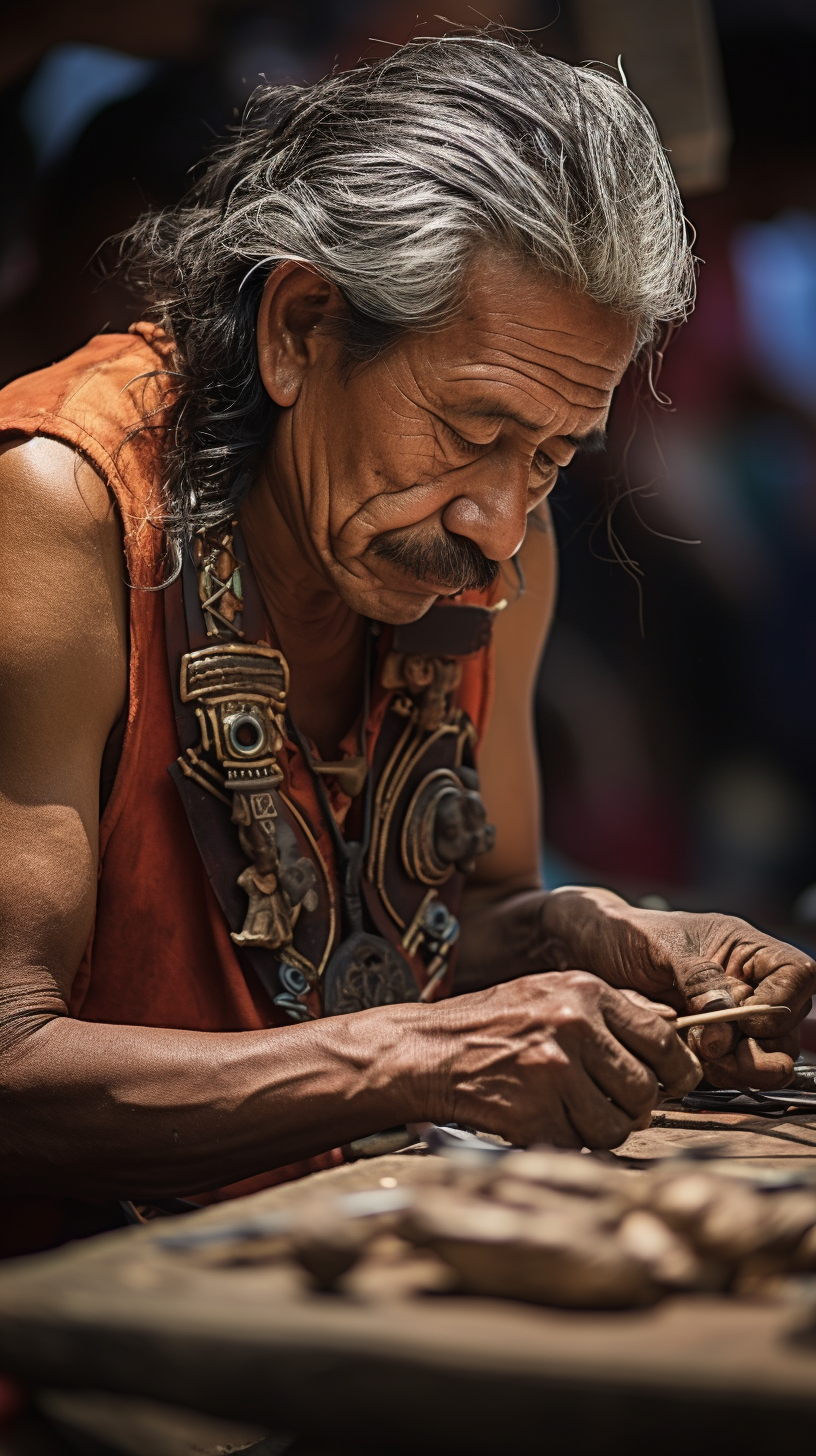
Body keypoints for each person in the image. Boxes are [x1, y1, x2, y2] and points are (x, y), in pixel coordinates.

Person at [0, 34, 812, 1253]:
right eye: (471, 427)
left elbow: (448, 927)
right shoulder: (60, 515)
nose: (499, 523)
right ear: (300, 327)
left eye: (549, 455)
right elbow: (12, 1060)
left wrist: (601, 939)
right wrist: (411, 1056)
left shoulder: (493, 548)